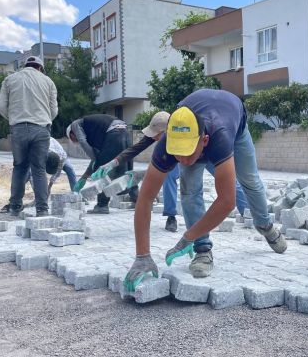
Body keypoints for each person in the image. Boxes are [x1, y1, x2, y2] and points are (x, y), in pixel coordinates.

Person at [122, 89, 286, 291]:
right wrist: (142, 256)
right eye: (177, 153)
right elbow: (145, 198)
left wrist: (186, 236)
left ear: (204, 141)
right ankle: (202, 249)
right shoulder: (167, 144)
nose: (182, 160)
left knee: (249, 180)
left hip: (232, 116)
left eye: (188, 152)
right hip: (201, 117)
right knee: (189, 191)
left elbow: (227, 201)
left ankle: (266, 226)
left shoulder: (220, 138)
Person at [92, 112, 249, 232]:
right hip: (186, 155)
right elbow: (135, 149)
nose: (154, 139)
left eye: (156, 135)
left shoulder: (181, 131)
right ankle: (171, 217)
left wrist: (142, 174)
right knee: (169, 178)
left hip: (204, 151)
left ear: (166, 131)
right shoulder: (163, 138)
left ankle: (248, 212)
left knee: (228, 183)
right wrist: (111, 164)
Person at [0, 55, 58, 217]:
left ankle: (15, 206)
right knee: (39, 169)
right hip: (41, 129)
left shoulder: (9, 80)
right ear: (40, 68)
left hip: (18, 129)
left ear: (25, 66)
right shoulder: (48, 82)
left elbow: (1, 106)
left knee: (20, 167)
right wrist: (43, 120)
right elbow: (54, 111)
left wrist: (14, 120)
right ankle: (42, 210)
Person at [67, 114, 132, 214]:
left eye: (74, 140)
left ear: (72, 134)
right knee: (126, 167)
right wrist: (84, 177)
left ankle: (102, 205)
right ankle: (137, 198)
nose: (76, 142)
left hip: (114, 133)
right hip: (125, 132)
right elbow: (97, 157)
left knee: (102, 170)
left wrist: (98, 163)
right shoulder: (97, 133)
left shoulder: (75, 125)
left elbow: (83, 143)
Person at [0, 137, 77, 213]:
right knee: (25, 175)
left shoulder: (61, 157)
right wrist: (40, 193)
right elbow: (34, 176)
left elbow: (58, 170)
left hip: (59, 154)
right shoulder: (38, 154)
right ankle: (14, 202)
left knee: (70, 170)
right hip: (37, 149)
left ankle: (76, 194)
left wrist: (49, 186)